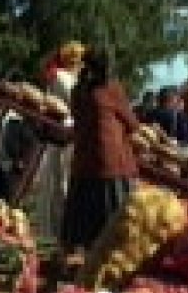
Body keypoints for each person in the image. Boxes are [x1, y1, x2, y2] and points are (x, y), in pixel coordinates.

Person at [62, 48, 142, 252]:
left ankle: (83, 254)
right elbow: (133, 124)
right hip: (109, 162)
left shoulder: (78, 90)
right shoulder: (110, 89)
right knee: (113, 221)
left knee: (84, 221)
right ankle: (110, 255)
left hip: (84, 162)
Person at [35, 40, 85, 241]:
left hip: (62, 140)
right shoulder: (65, 80)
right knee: (60, 190)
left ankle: (53, 233)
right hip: (64, 141)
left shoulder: (61, 78)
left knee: (56, 190)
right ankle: (56, 236)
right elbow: (73, 109)